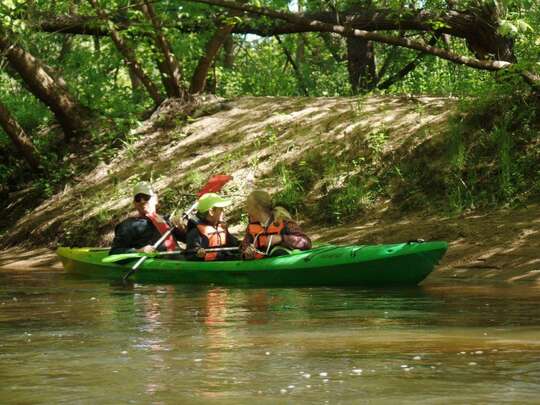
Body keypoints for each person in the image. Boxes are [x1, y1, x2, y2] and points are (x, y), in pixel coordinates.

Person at [109, 182, 186, 255]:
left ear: (155, 199)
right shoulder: (128, 226)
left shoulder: (166, 220)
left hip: (179, 259)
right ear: (134, 203)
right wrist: (138, 251)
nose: (142, 201)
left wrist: (183, 229)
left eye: (146, 197)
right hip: (157, 264)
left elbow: (187, 239)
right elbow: (114, 252)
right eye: (138, 199)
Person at [242, 190, 311, 260]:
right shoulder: (251, 227)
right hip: (262, 265)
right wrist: (246, 252)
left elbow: (306, 242)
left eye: (248, 207)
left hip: (285, 263)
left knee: (278, 251)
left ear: (258, 207)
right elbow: (243, 246)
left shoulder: (284, 222)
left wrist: (281, 238)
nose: (247, 211)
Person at [186, 193, 240, 261]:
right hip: (209, 265)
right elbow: (190, 256)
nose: (223, 211)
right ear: (211, 212)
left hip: (225, 259)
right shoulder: (195, 232)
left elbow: (234, 245)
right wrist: (198, 255)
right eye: (221, 209)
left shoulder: (220, 226)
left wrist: (246, 246)